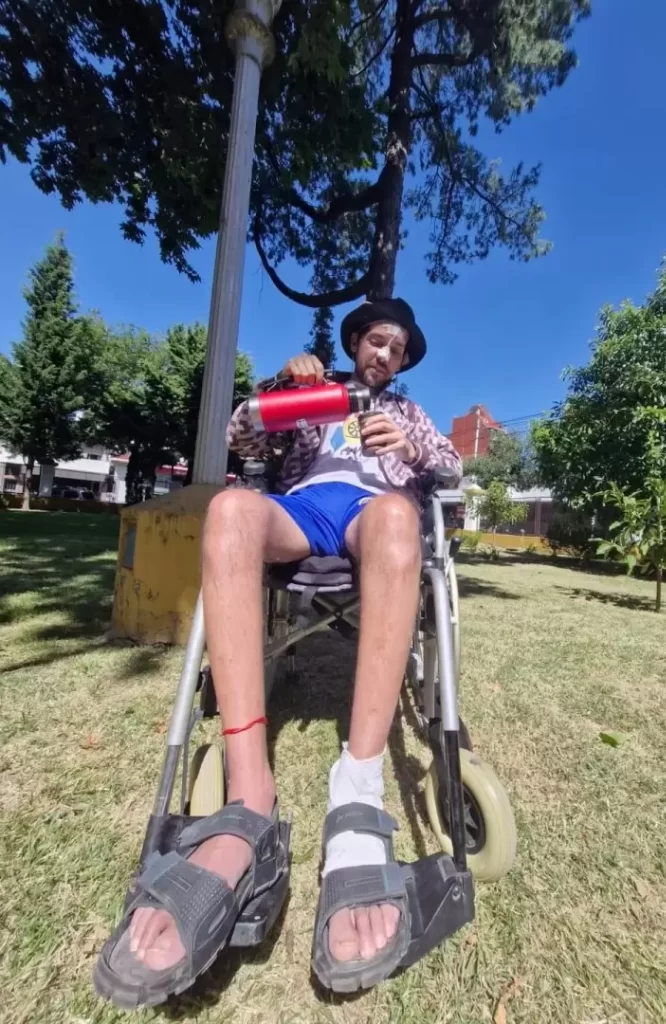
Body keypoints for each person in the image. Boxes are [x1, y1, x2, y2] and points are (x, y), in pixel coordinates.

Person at [95, 298, 462, 1006]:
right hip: (306, 506)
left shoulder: (409, 413)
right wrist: (282, 388)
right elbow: (244, 440)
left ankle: (357, 789)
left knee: (396, 516)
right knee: (230, 508)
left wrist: (412, 450)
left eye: (397, 347)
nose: (385, 354)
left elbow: (450, 470)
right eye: (376, 341)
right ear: (355, 343)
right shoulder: (315, 393)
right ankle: (248, 796)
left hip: (375, 513)